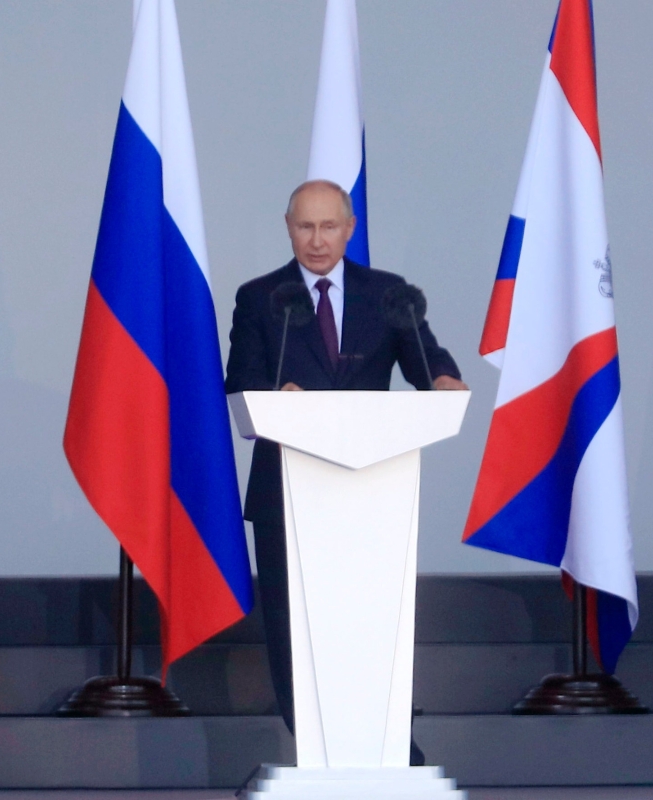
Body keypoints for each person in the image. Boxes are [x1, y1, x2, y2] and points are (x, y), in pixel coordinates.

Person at [224, 179, 467, 761]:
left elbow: (425, 358)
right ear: (288, 228)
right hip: (286, 492)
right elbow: (240, 381)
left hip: (371, 491)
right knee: (295, 629)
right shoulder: (260, 298)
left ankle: (389, 755)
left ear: (349, 228)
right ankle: (318, 752)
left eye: (328, 226)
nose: (317, 240)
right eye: (305, 227)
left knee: (368, 625)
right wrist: (274, 395)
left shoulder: (387, 294)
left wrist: (441, 378)